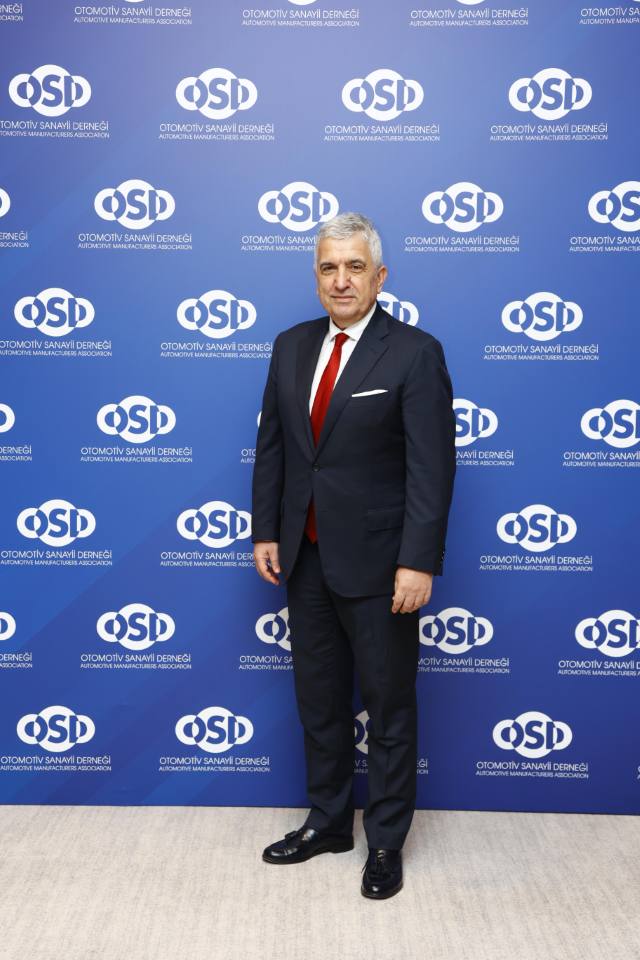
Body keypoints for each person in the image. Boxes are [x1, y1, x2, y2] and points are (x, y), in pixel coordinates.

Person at [251, 212, 456, 899]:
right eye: (329, 268)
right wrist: (266, 530)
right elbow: (275, 448)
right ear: (317, 276)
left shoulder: (414, 353)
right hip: (304, 558)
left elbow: (432, 468)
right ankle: (330, 822)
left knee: (389, 707)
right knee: (319, 702)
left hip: (381, 565)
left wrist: (418, 561)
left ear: (380, 277)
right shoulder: (290, 346)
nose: (341, 280)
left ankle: (387, 841)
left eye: (355, 267)